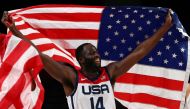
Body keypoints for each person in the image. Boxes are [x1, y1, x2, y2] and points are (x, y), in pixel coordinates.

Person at [1, 9, 172, 109]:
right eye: (91, 53)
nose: (96, 55)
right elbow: (38, 54)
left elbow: (139, 53)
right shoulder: (71, 77)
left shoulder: (110, 72)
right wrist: (15, 30)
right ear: (81, 60)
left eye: (96, 52)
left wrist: (164, 28)